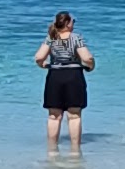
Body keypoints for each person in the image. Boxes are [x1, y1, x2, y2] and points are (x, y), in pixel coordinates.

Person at [35, 9, 95, 152]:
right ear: (67, 23)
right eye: (73, 21)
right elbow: (87, 58)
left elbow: (39, 57)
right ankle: (75, 150)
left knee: (53, 116)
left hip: (55, 76)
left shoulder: (51, 37)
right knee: (74, 116)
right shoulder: (76, 38)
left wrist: (43, 65)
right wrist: (91, 66)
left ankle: (51, 150)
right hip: (73, 76)